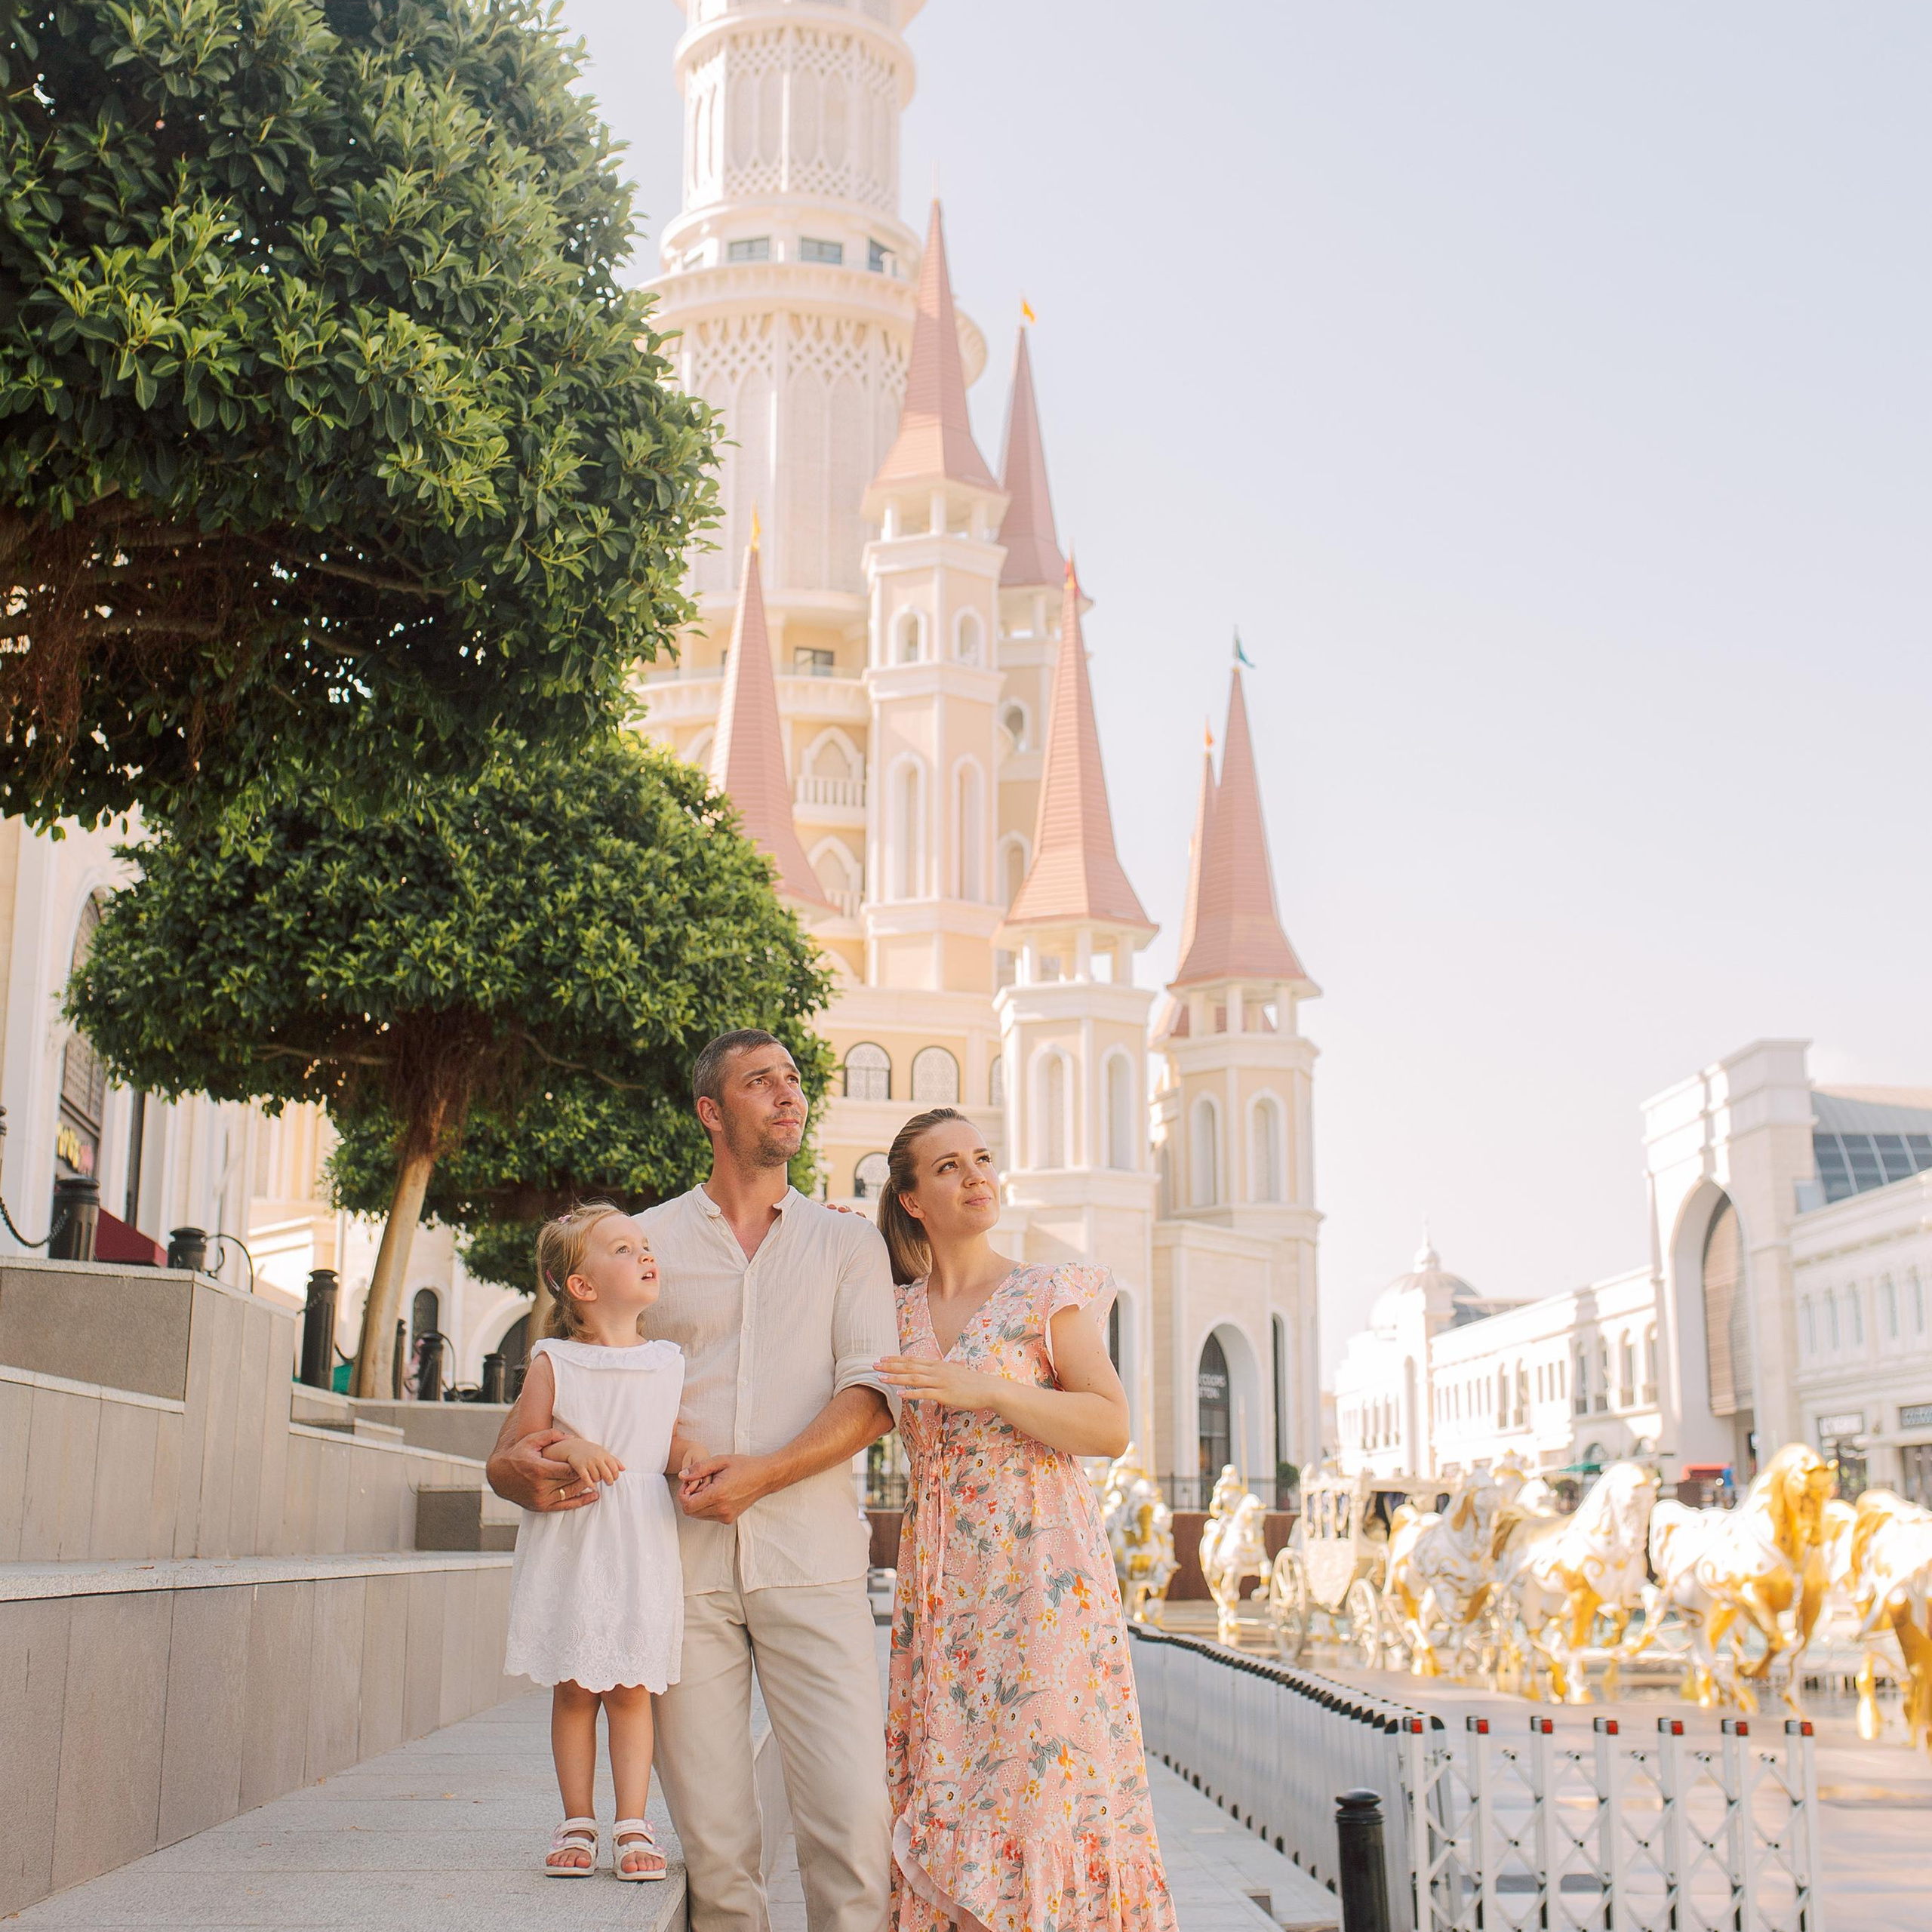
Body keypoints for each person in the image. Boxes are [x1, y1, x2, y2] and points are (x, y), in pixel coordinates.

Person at [488, 1029, 898, 1932]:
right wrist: (530, 1473)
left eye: (793, 1078)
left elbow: (872, 1398)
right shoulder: (645, 1242)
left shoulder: (849, 1245)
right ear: (712, 1112)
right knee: (716, 1851)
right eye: (761, 1081)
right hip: (675, 1575)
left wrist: (765, 1474)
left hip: (814, 1563)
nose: (788, 1093)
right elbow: (538, 1422)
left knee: (854, 1830)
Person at [872, 1108, 1179, 1932]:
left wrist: (995, 1390)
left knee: (1040, 1786)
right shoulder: (891, 1313)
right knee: (956, 1785)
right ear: (910, 1200)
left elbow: (1109, 1427)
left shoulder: (1045, 1292)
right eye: (948, 1167)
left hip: (1045, 1583)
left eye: (982, 1158)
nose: (975, 1175)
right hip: (943, 1590)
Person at [500, 1202, 701, 1880]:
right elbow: (524, 1441)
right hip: (578, 1535)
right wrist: (572, 1442)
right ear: (580, 1287)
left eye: (644, 1245)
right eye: (623, 1248)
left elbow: (659, 1439)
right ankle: (578, 1818)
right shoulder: (554, 1361)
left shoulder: (666, 1360)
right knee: (577, 1686)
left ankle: (634, 1823)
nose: (646, 1254)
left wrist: (691, 1459)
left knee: (633, 1686)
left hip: (641, 1535)